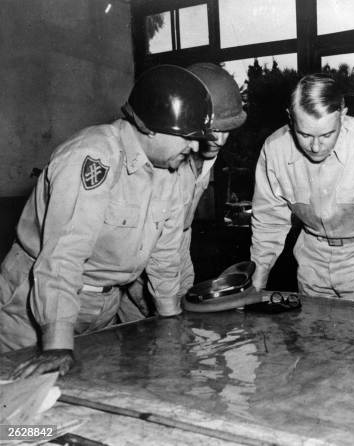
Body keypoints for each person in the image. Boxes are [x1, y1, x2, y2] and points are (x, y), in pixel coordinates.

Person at [0, 64, 214, 378]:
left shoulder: (174, 171)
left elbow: (164, 256)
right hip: (34, 308)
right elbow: (62, 256)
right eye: (188, 137)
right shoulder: (93, 157)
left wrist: (171, 324)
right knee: (19, 405)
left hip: (103, 306)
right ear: (149, 127)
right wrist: (57, 344)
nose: (196, 147)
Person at [250, 74, 354, 300]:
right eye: (304, 134)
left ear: (343, 115)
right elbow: (268, 223)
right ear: (290, 118)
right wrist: (256, 287)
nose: (315, 146)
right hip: (310, 261)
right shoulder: (274, 150)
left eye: (327, 134)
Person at [121, 62, 247, 319]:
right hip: (139, 263)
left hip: (177, 248)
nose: (220, 141)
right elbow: (136, 249)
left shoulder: (206, 156)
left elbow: (179, 233)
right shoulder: (162, 161)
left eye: (227, 131)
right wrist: (151, 300)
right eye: (214, 130)